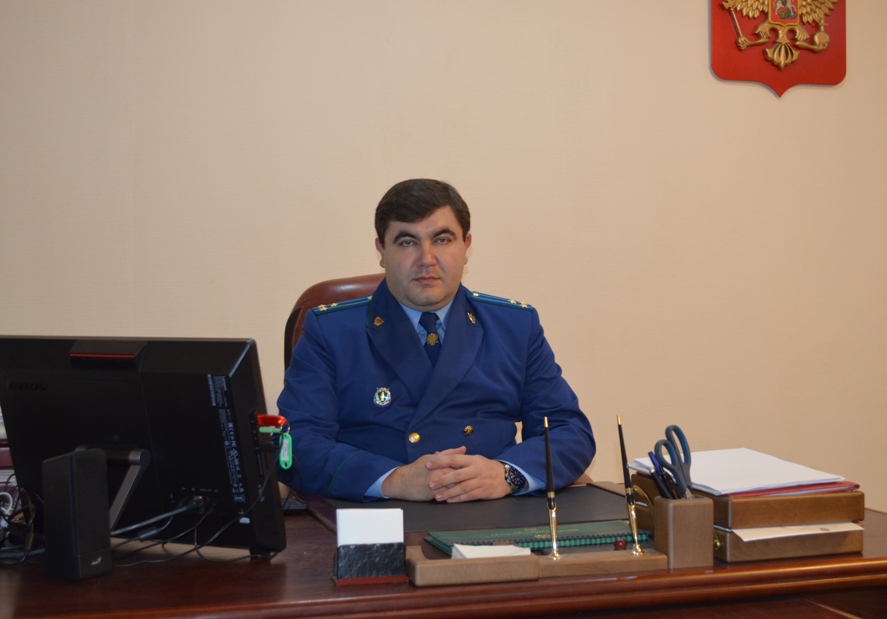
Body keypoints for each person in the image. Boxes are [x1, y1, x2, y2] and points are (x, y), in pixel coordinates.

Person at [277, 179, 594, 502]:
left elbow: (569, 430)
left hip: (493, 512)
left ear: (466, 247)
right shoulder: (331, 331)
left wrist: (506, 474)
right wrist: (392, 480)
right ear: (381, 251)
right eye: (407, 242)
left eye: (442, 240)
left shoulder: (514, 327)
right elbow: (296, 443)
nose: (426, 259)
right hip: (379, 514)